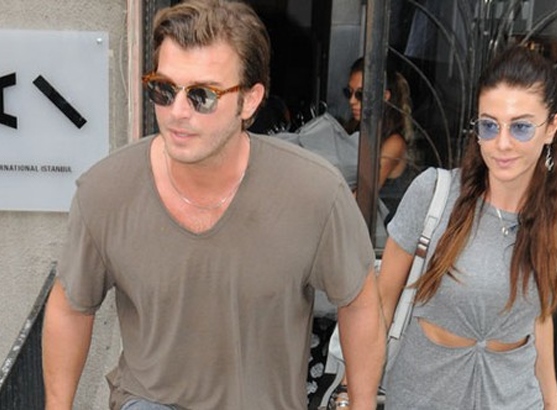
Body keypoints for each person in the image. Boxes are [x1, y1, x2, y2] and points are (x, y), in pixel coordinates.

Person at [41, 1, 385, 409]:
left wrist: (361, 403)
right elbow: (71, 307)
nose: (177, 112)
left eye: (202, 95)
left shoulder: (315, 193)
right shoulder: (105, 191)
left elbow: (359, 301)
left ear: (251, 101)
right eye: (163, 89)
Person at [378, 46, 557, 409]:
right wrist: (355, 393)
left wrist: (553, 404)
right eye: (489, 126)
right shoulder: (434, 194)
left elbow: (538, 319)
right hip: (423, 394)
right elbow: (381, 303)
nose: (502, 144)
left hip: (514, 398)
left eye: (521, 127)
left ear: (551, 127)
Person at [343, 57, 416, 221]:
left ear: (384, 96)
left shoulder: (394, 143)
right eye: (349, 92)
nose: (352, 101)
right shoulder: (355, 130)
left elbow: (364, 196)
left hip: (381, 229)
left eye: (360, 94)